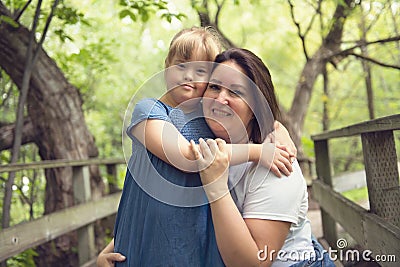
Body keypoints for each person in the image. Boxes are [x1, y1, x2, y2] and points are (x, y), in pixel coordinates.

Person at [97, 28, 296, 267]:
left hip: (191, 237)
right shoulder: (149, 112)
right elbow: (186, 157)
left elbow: (245, 113)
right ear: (166, 65)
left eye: (201, 70)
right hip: (151, 239)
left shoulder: (206, 119)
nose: (189, 76)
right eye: (181, 65)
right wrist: (259, 152)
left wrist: (277, 129)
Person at [190, 48, 334, 267]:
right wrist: (120, 246)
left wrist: (215, 186)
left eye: (235, 92)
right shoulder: (200, 139)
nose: (220, 99)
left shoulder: (276, 163)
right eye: (214, 87)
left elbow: (253, 263)